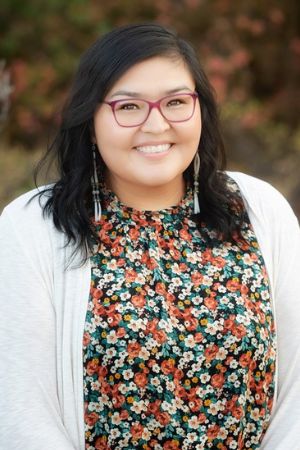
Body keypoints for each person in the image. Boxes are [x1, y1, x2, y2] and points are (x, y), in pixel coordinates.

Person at [0, 23, 299, 450]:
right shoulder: (32, 227)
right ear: (90, 118)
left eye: (176, 102)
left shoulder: (258, 209)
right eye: (129, 107)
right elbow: (20, 412)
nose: (156, 125)